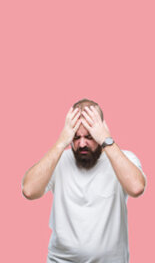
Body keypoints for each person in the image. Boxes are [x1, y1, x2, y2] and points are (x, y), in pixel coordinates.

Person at [22, 99, 147, 262]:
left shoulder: (122, 158)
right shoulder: (58, 161)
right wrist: (61, 142)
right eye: (76, 137)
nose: (82, 144)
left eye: (89, 136)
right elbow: (29, 191)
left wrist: (106, 140)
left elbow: (137, 188)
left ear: (100, 131)